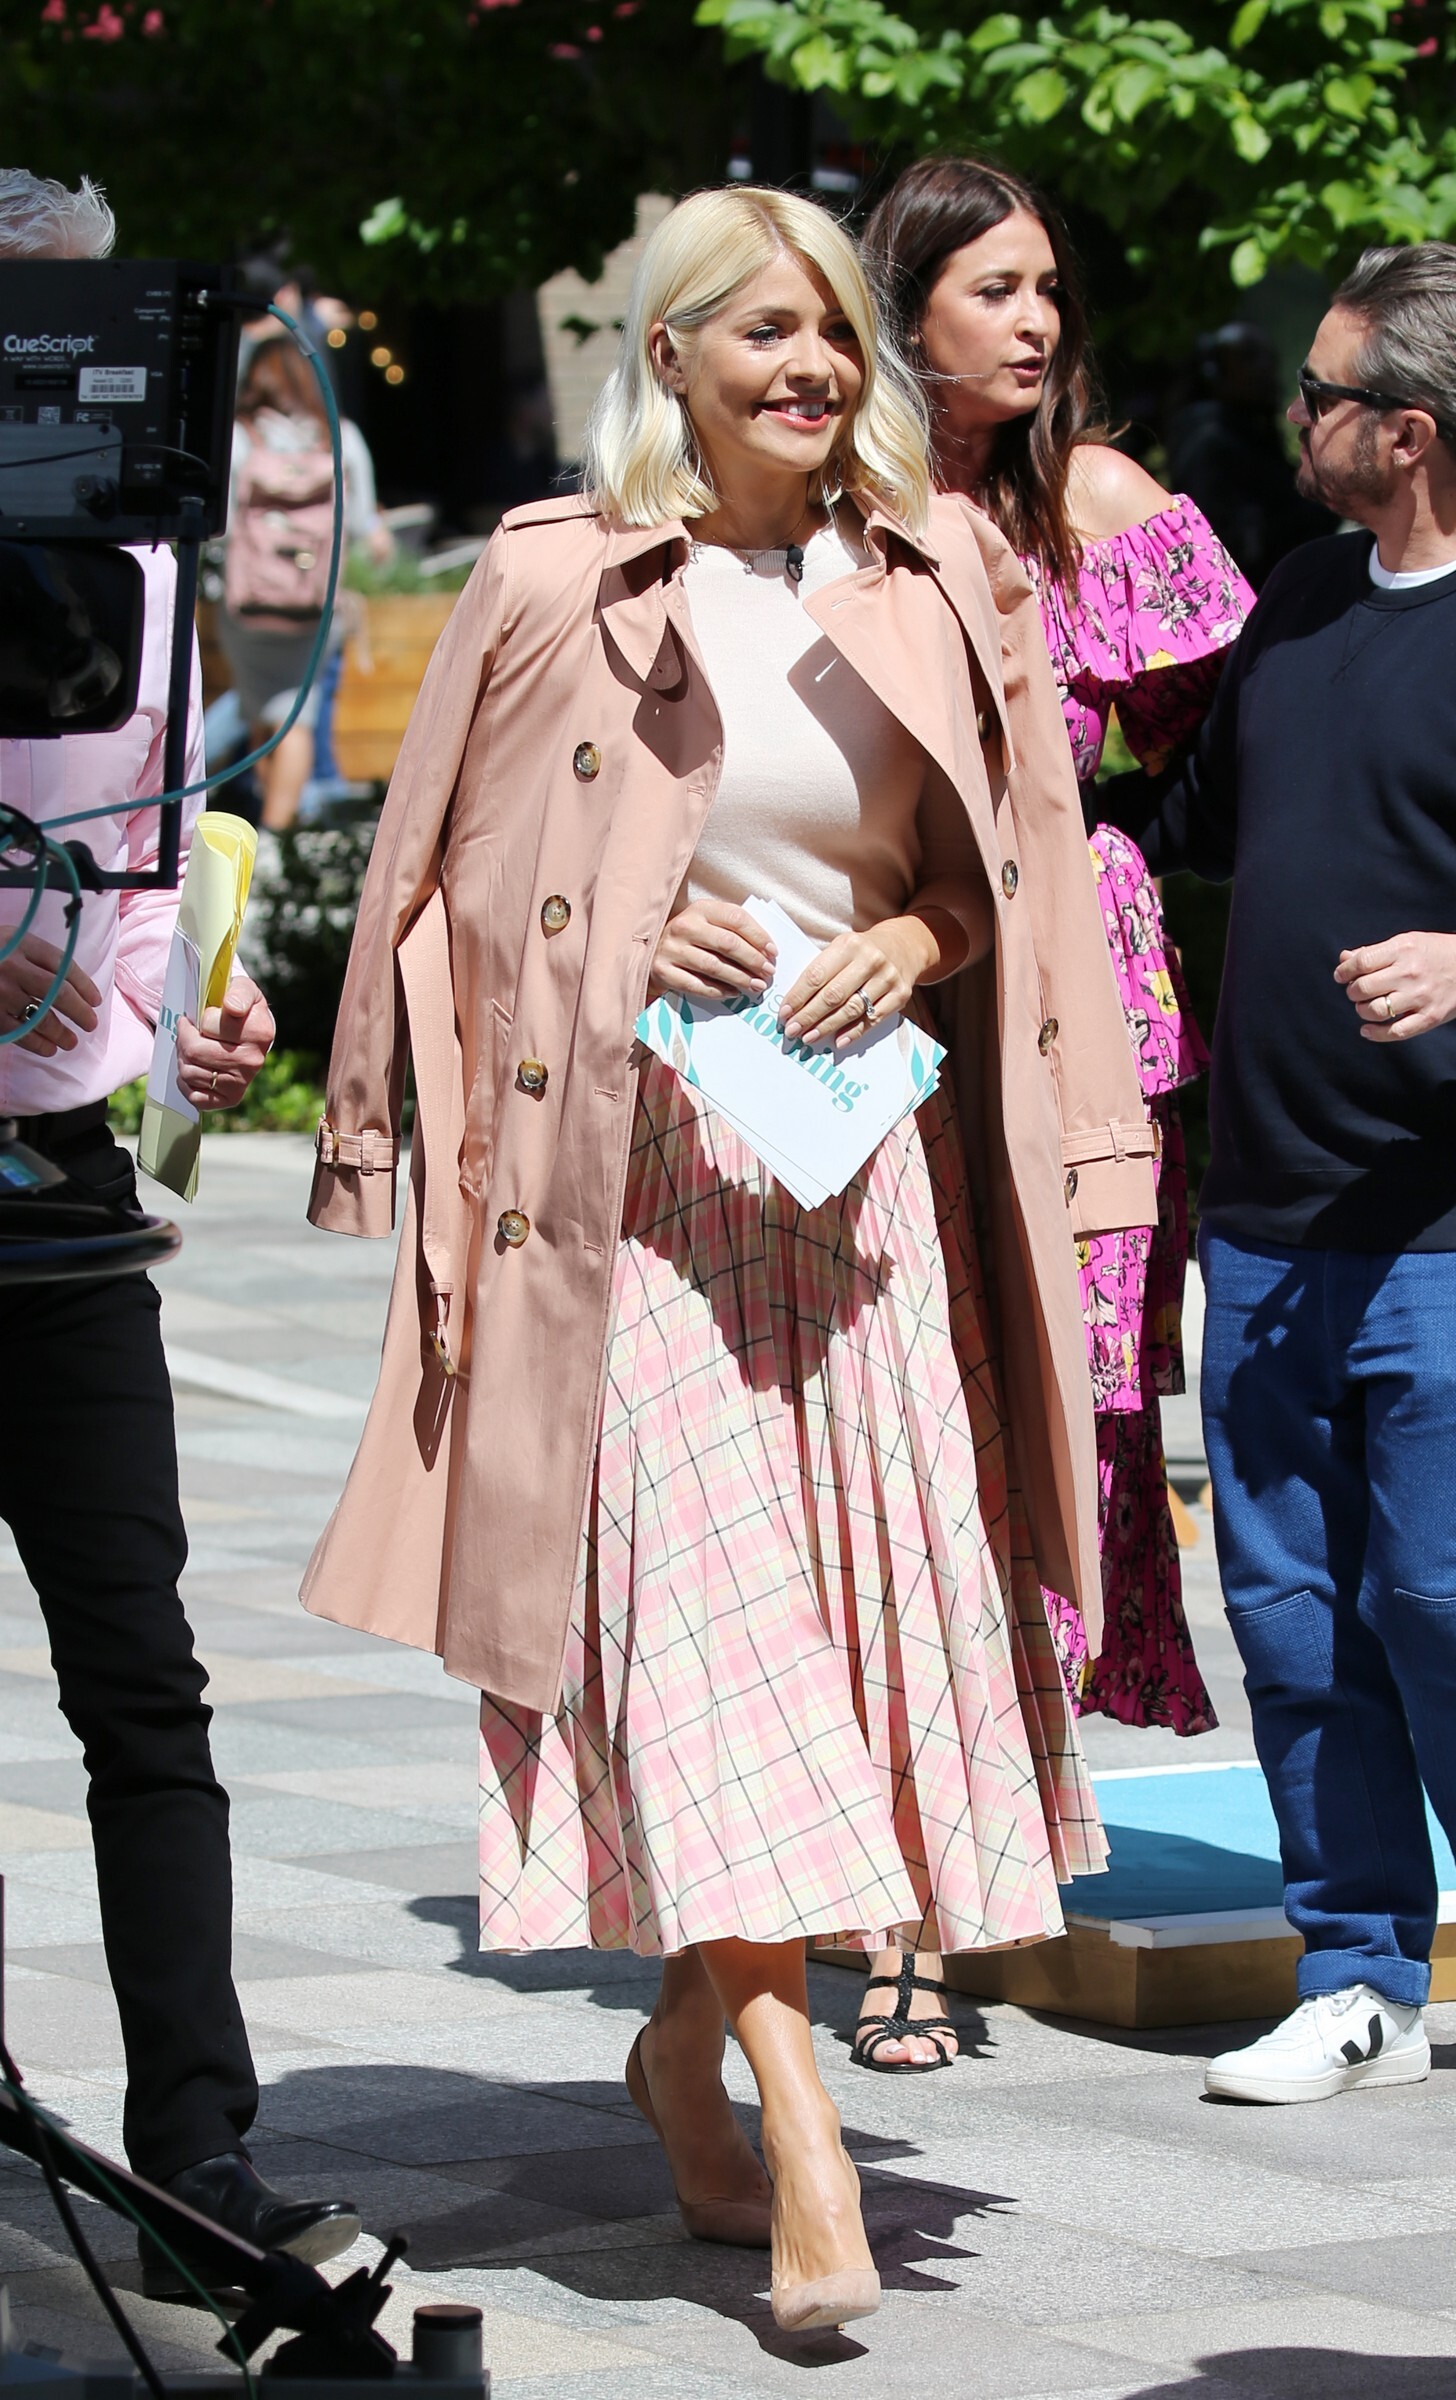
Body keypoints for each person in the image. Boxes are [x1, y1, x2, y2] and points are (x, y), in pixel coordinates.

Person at [298, 183, 1155, 2327]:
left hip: (860, 1184)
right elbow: (433, 888)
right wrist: (608, 936)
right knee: (704, 1642)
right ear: (666, 355)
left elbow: (1016, 871)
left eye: (834, 332)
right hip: (628, 1196)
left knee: (822, 1654)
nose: (808, 369)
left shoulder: (942, 570)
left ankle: (679, 2045)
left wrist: (912, 942)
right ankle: (800, 2129)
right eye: (760, 331)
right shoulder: (550, 575)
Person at [1104, 240, 1456, 2103]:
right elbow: (1183, 821)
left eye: (1322, 392)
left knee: (1450, 1608)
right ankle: (1357, 1974)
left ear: (1408, 430)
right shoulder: (1293, 599)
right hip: (1268, 1214)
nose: (1294, 417)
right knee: (1290, 1616)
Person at [0, 169, 360, 2283]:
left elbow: (147, 871)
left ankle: (194, 2162)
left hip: (60, 1202)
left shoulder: (142, 576)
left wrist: (196, 1032)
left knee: (143, 1683)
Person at [857, 154, 1255, 2066]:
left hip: (1086, 1012)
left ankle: (982, 1850)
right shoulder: (835, 508)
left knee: (1068, 1437)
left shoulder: (1097, 504)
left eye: (1045, 290)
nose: (1032, 321)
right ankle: (893, 1899)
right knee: (890, 1434)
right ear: (903, 307)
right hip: (870, 1009)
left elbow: (1231, 749)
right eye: (990, 289)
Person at [217, 335, 390, 833]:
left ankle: (265, 830)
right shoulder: (341, 437)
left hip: (248, 606)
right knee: (297, 718)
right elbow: (362, 523)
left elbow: (219, 526)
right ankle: (275, 836)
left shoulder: (239, 438)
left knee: (262, 715)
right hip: (314, 606)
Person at [1166, 323, 1331, 589]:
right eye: (1249, 357)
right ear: (1215, 371)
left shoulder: (1248, 429)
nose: (1265, 368)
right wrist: (1319, 509)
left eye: (1268, 357)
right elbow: (1235, 541)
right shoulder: (1208, 441)